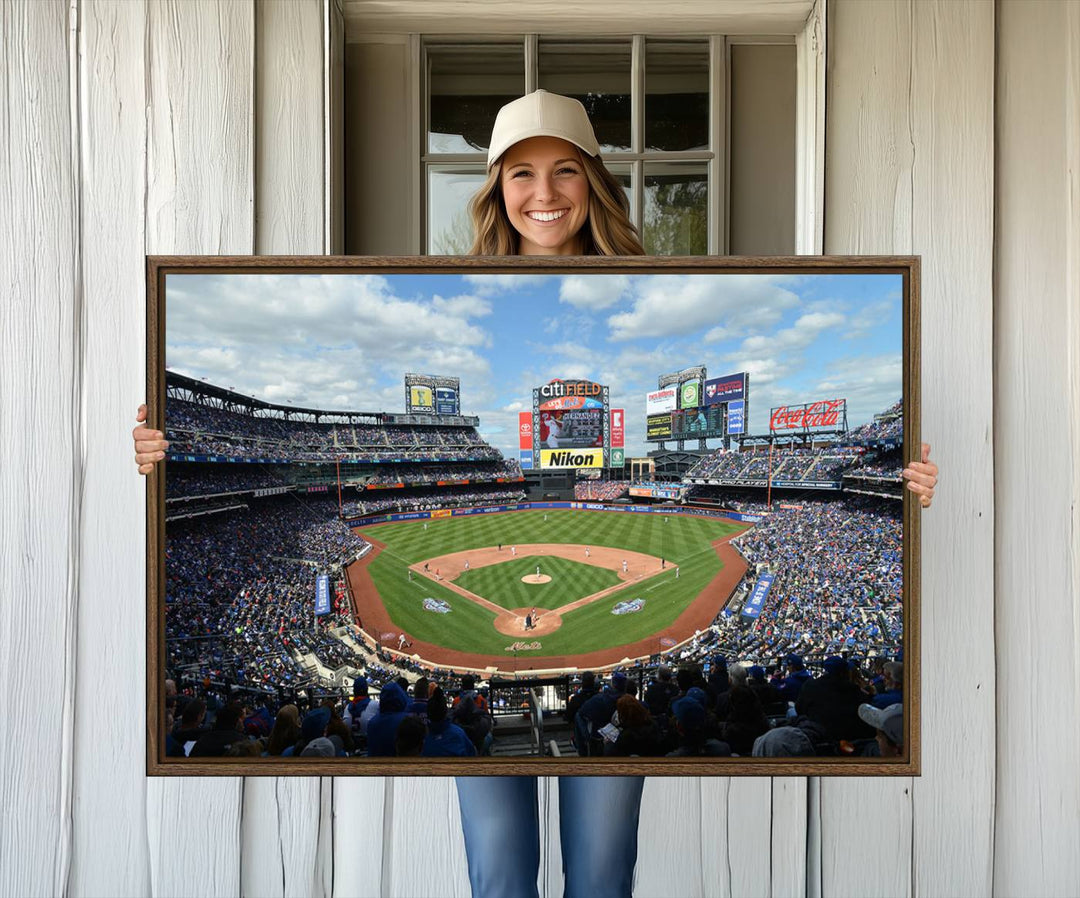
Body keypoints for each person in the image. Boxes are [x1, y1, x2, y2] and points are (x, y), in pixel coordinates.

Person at [131, 88, 939, 898]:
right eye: (520, 173)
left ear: (594, 181)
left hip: (575, 736)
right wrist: (161, 449)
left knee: (600, 873)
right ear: (495, 189)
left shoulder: (664, 280)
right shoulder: (450, 280)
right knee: (500, 874)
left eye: (564, 171)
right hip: (539, 727)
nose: (543, 193)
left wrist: (905, 482)